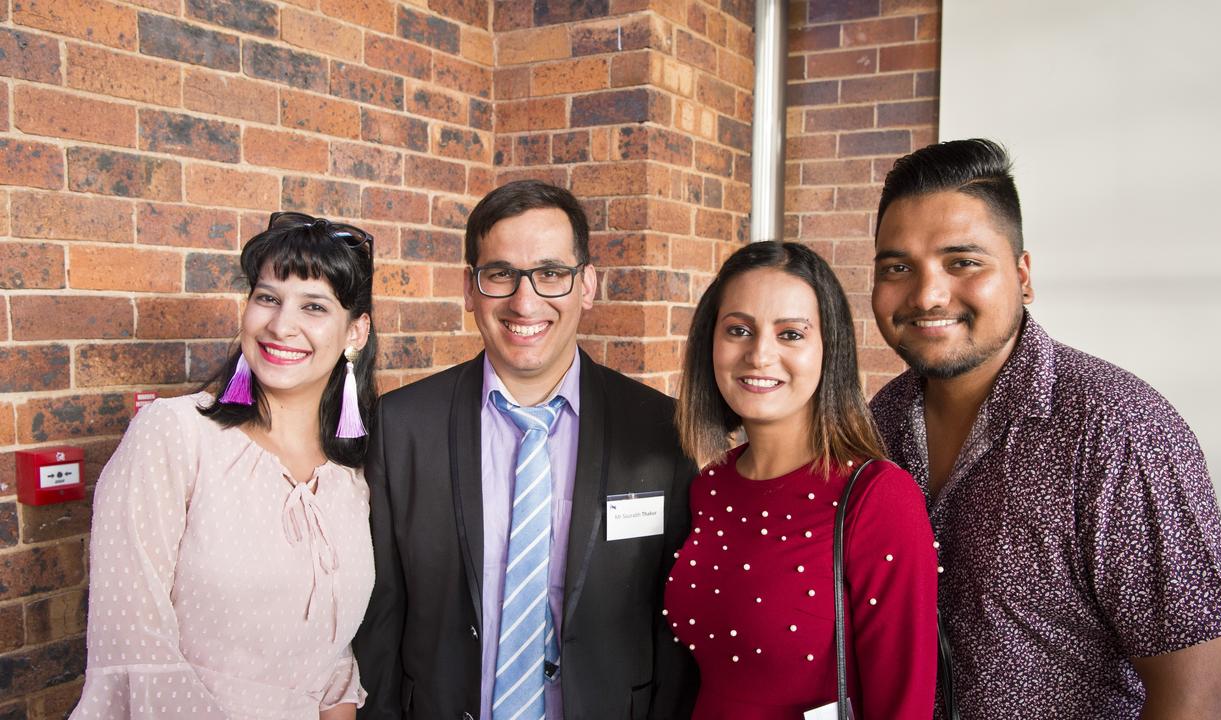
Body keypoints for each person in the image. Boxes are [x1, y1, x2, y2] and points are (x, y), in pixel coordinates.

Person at [868, 138, 1221, 720]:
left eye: (963, 262)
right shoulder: (879, 423)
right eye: (898, 267)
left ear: (1022, 275)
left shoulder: (1120, 430)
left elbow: (1196, 699)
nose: (927, 294)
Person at [353, 180, 699, 720]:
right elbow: (380, 621)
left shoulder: (661, 430)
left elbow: (674, 623)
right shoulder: (402, 428)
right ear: (470, 289)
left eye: (551, 274)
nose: (525, 300)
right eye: (500, 274)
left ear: (587, 285)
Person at [71, 212, 379, 720]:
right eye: (267, 297)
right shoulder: (175, 434)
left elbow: (331, 658)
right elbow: (131, 645)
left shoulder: (351, 479)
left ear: (355, 333)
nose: (282, 325)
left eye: (314, 306)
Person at [664, 241, 938, 719]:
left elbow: (903, 704)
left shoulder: (878, 498)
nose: (760, 355)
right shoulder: (709, 487)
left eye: (790, 334)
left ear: (828, 350)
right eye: (739, 330)